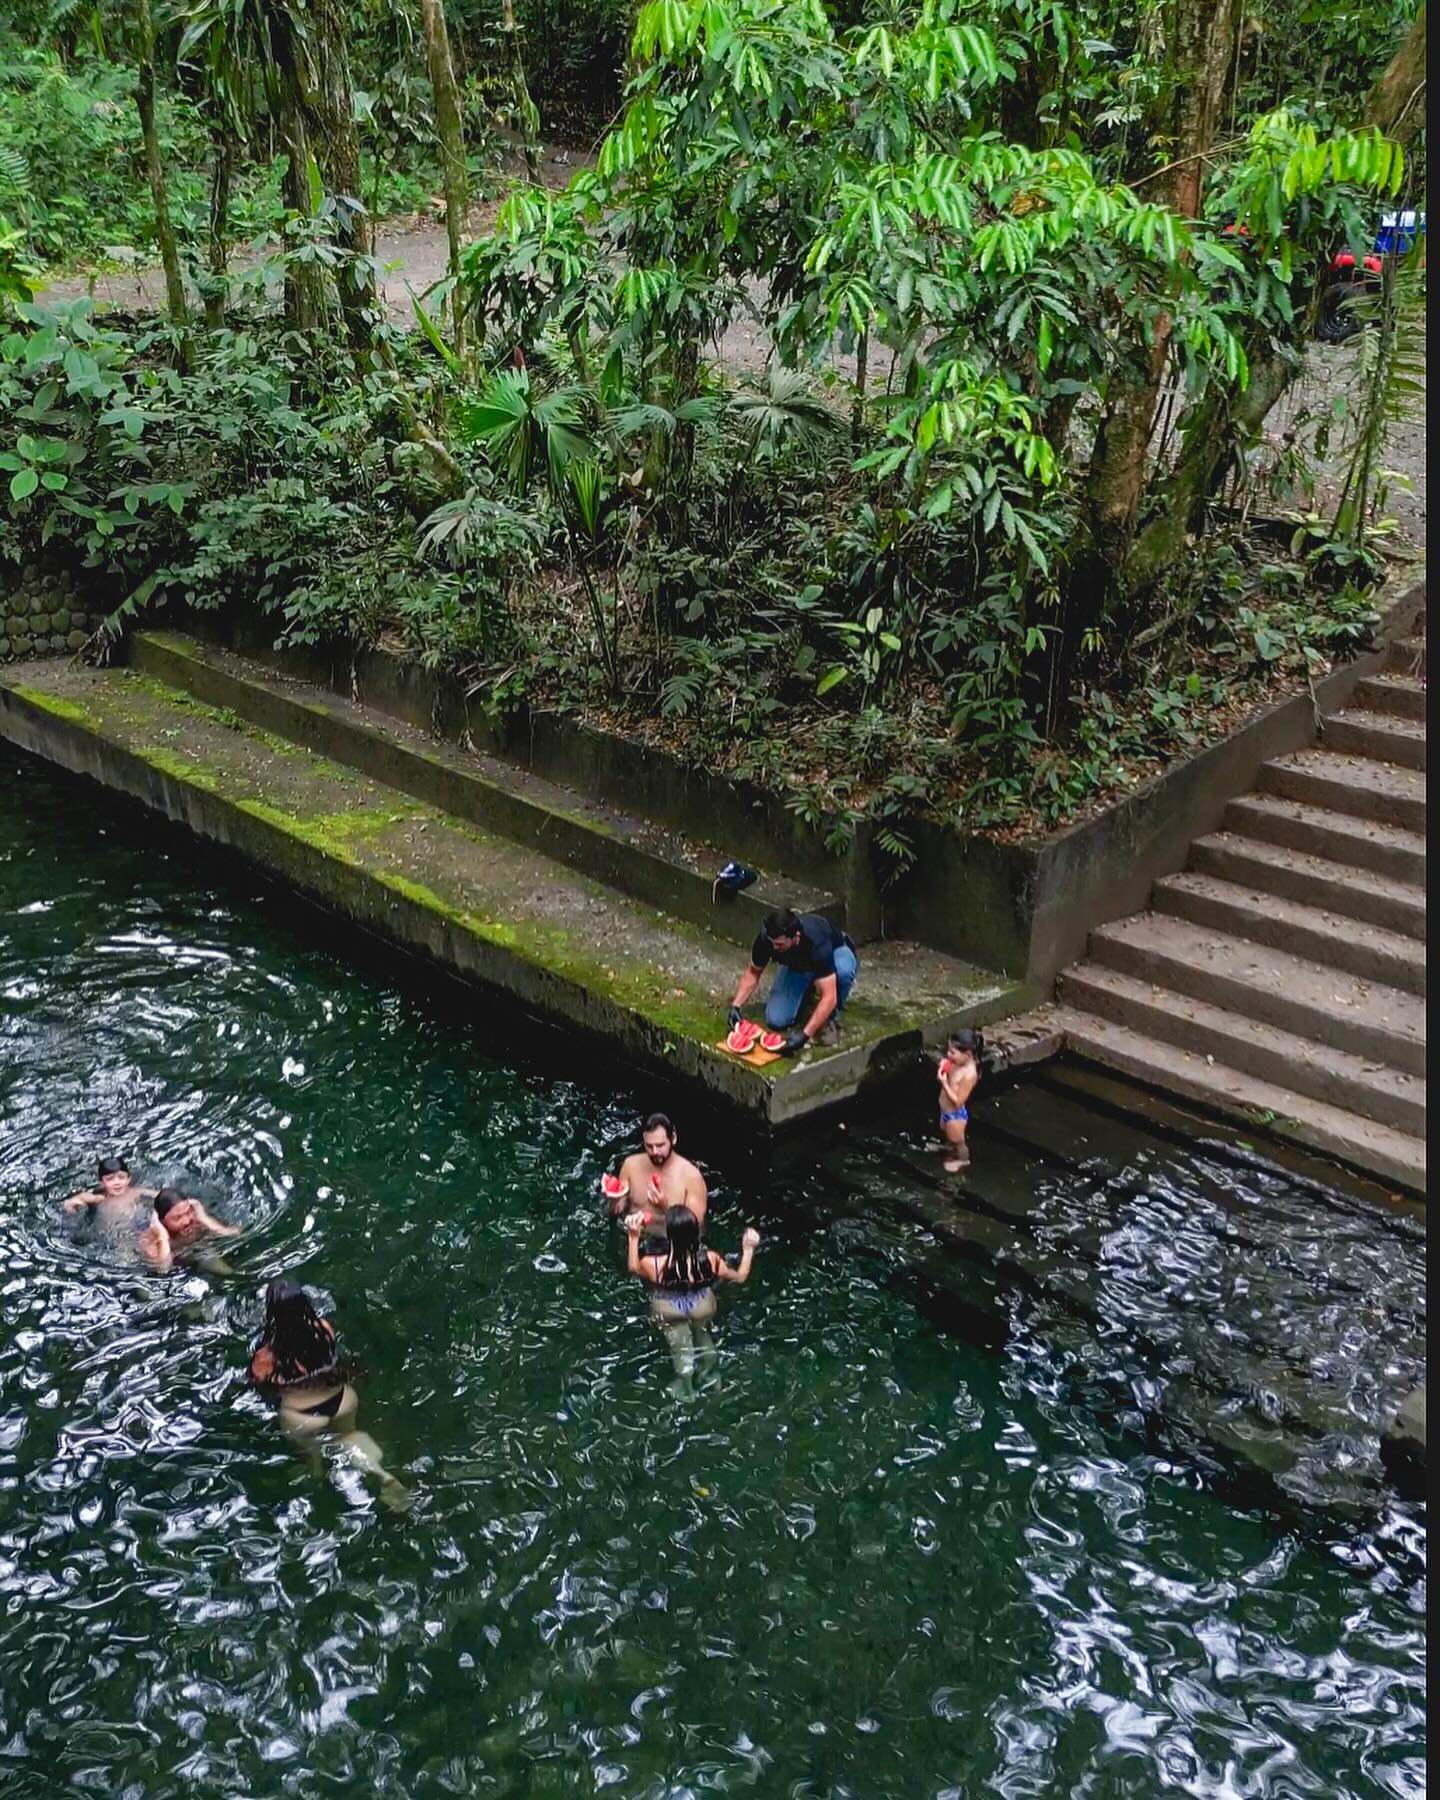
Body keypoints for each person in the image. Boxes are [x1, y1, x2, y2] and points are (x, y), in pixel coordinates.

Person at [248, 1277, 408, 1510]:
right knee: (350, 1436)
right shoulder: (324, 1329)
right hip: (343, 1399)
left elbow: (259, 1388)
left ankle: (319, 1481)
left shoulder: (266, 1358)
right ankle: (384, 1476)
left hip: (302, 1416)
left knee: (312, 1456)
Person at [626, 1205, 759, 1396]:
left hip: (668, 1305)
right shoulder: (710, 1259)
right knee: (703, 1335)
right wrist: (748, 1249)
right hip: (701, 1304)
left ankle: (685, 1387)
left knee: (679, 1343)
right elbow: (740, 1277)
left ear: (669, 1236)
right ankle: (710, 1376)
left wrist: (633, 1236)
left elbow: (632, 1268)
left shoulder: (654, 1263)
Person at [727, 910, 858, 1055]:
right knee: (776, 1020)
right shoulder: (767, 939)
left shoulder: (817, 944)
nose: (775, 948)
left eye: (780, 945)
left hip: (833, 953)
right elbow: (753, 973)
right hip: (798, 964)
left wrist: (804, 1035)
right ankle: (808, 988)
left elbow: (830, 996)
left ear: (796, 937)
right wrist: (736, 1006)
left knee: (843, 971)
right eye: (773, 943)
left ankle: (829, 1018)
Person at [608, 1114, 708, 1238]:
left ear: (673, 1138)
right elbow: (617, 1212)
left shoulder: (691, 1177)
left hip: (671, 1242)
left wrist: (665, 1207)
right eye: (649, 1146)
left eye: (660, 1145)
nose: (655, 1152)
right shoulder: (630, 1165)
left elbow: (694, 1227)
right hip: (634, 1235)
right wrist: (613, 1201)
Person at [937, 1029, 983, 1173]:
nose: (948, 1055)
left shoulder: (969, 1075)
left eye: (952, 1052)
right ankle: (949, 1147)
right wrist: (944, 1066)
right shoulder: (957, 1062)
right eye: (948, 1051)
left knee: (959, 1142)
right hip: (945, 1109)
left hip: (954, 1116)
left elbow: (958, 1102)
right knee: (949, 1137)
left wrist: (944, 1083)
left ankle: (963, 1160)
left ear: (967, 1054)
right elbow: (951, 1072)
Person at [62, 1156, 156, 1221]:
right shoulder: (101, 1199)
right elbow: (82, 1197)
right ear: (102, 1183)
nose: (117, 1182)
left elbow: (160, 1195)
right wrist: (71, 1204)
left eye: (121, 1177)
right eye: (110, 1179)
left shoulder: (136, 1193)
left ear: (128, 1179)